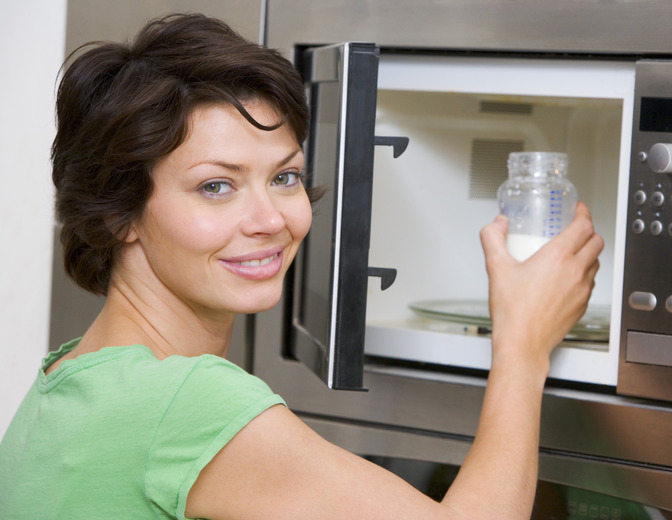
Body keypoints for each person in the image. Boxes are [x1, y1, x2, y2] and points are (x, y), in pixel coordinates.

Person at [0, 13, 603, 520]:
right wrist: (524, 343)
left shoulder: (75, 376)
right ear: (118, 214)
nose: (271, 219)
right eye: (216, 186)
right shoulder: (185, 404)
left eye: (284, 176)